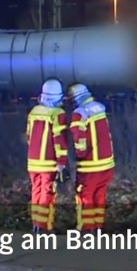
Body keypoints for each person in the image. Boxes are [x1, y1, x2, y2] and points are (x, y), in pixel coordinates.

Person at [65, 83, 115, 233]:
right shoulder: (99, 107)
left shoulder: (79, 113)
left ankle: (86, 229)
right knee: (99, 196)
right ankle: (97, 227)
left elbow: (78, 136)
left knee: (85, 196)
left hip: (90, 165)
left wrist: (80, 154)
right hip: (107, 164)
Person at [25, 78, 69, 234]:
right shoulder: (57, 113)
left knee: (36, 192)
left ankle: (36, 225)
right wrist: (61, 161)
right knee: (47, 193)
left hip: (33, 161)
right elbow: (59, 140)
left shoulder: (34, 112)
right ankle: (44, 226)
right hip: (48, 162)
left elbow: (29, 136)